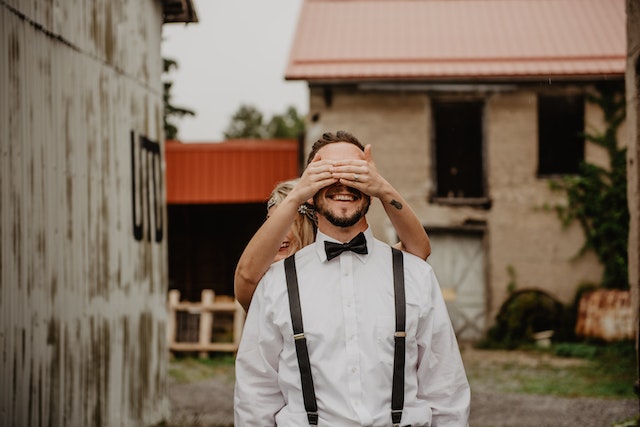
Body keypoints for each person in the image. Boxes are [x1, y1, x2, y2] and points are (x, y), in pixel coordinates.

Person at [234, 131, 470, 426]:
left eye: (355, 173)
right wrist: (297, 194)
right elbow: (254, 397)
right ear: (310, 188)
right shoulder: (276, 283)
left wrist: (383, 187)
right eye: (328, 173)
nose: (343, 183)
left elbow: (446, 391)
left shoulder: (414, 275)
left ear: (371, 186)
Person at [234, 142, 431, 311]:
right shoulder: (272, 283)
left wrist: (381, 188)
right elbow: (246, 277)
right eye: (270, 222)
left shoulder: (358, 261)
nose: (275, 235)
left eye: (288, 222)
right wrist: (296, 197)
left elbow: (417, 249)